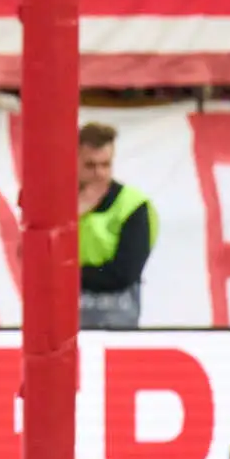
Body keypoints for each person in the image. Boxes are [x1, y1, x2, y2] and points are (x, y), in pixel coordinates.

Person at [77, 122, 157, 329]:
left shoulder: (133, 205)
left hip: (115, 323)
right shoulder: (55, 204)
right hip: (61, 323)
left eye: (106, 165)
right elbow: (32, 259)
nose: (99, 173)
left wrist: (62, 274)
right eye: (90, 165)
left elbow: (123, 273)